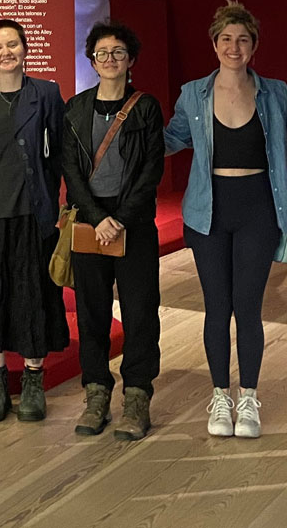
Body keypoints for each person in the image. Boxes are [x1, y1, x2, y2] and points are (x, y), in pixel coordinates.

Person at [163, 2, 287, 439]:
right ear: (214, 44)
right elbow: (170, 139)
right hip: (208, 210)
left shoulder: (275, 92)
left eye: (242, 39)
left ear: (254, 45)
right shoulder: (193, 93)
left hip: (258, 206)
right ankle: (221, 396)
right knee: (217, 307)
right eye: (225, 39)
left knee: (249, 307)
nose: (233, 47)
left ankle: (249, 397)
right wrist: (130, 127)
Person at [0, 20, 68, 424]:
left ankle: (34, 381)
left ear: (25, 49)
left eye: (12, 44)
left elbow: (58, 151)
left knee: (31, 294)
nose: (6, 52)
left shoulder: (46, 93)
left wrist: (53, 198)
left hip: (30, 213)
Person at [63, 22, 165, 441]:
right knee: (91, 313)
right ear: (91, 60)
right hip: (90, 224)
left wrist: (120, 217)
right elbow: (70, 168)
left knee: (140, 312)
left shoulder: (146, 108)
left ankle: (137, 397)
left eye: (118, 52)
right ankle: (97, 393)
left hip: (133, 225)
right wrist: (96, 216)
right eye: (102, 53)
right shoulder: (76, 107)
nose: (109, 60)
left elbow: (151, 168)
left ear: (131, 60)